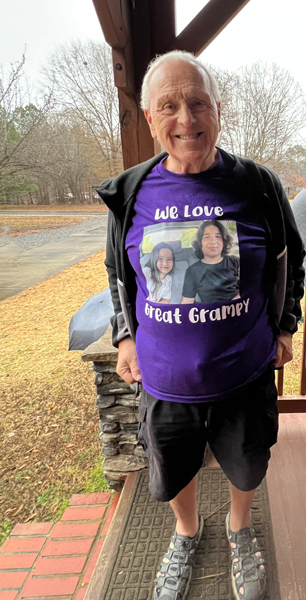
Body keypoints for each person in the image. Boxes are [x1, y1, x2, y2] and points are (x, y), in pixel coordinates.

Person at [95, 50, 304, 600]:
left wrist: (284, 328)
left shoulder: (258, 186)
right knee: (174, 470)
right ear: (149, 117)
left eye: (198, 103)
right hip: (164, 382)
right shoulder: (132, 194)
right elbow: (120, 273)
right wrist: (124, 336)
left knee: (247, 466)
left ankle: (239, 528)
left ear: (218, 109)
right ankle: (186, 533)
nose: (185, 119)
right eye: (169, 106)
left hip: (244, 373)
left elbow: (291, 261)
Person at [182, 219, 240, 303]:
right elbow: (187, 302)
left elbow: (248, 288)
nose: (213, 241)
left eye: (218, 236)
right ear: (200, 243)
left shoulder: (235, 261)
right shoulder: (192, 271)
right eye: (206, 237)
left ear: (224, 241)